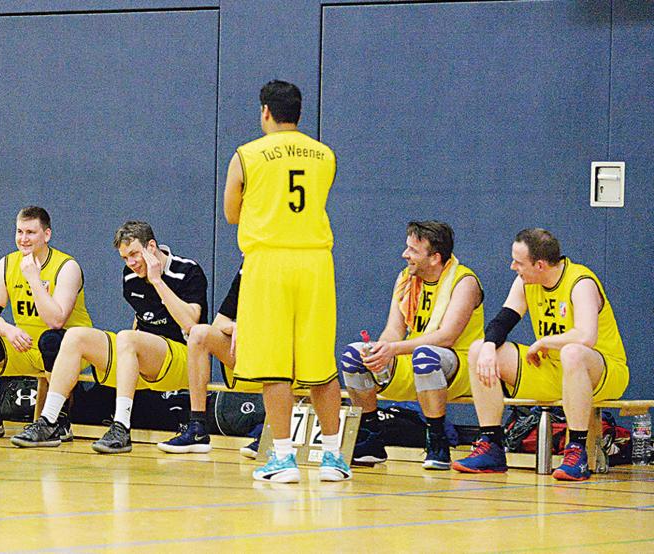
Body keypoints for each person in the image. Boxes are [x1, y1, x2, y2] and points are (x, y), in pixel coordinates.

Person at [224, 79, 350, 483]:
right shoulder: (325, 155)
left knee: (274, 365)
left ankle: (283, 458)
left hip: (268, 263)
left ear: (265, 111)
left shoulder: (246, 154)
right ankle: (333, 457)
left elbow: (231, 213)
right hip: (315, 263)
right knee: (320, 362)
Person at [11, 221, 207, 454]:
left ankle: (121, 426)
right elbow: (141, 318)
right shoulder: (130, 276)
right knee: (75, 336)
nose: (131, 263)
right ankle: (50, 421)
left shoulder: (188, 270)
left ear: (151, 247)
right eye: (125, 258)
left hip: (183, 361)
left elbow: (191, 323)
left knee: (127, 338)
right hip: (141, 356)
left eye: (135, 254)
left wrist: (157, 281)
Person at [452, 229, 629, 481]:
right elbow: (502, 321)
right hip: (554, 371)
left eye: (518, 262)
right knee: (480, 349)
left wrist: (545, 341)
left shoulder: (581, 282)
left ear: (540, 264)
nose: (513, 266)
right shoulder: (525, 283)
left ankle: (577, 451)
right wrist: (490, 346)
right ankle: (491, 444)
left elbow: (586, 336)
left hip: (602, 372)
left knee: (573, 352)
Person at [340, 221, 484, 470]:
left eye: (413, 250)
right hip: (414, 359)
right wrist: (380, 350)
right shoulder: (406, 278)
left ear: (435, 258)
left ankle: (437, 441)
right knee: (355, 355)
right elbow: (394, 330)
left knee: (426, 356)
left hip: (458, 367)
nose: (405, 254)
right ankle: (372, 436)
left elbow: (447, 337)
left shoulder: (465, 282)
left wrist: (394, 350)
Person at [0, 206, 92, 440]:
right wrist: (9, 331)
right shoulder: (8, 264)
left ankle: (58, 421)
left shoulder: (67, 267)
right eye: (19, 232)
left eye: (30, 232)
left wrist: (33, 279)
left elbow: (56, 320)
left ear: (46, 235)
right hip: (27, 346)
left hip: (70, 349)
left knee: (52, 340)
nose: (23, 239)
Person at [156, 262, 264, 454]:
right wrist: (237, 327)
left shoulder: (288, 268)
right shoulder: (246, 270)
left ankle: (272, 431)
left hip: (283, 352)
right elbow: (219, 322)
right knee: (199, 334)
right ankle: (197, 427)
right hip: (249, 353)